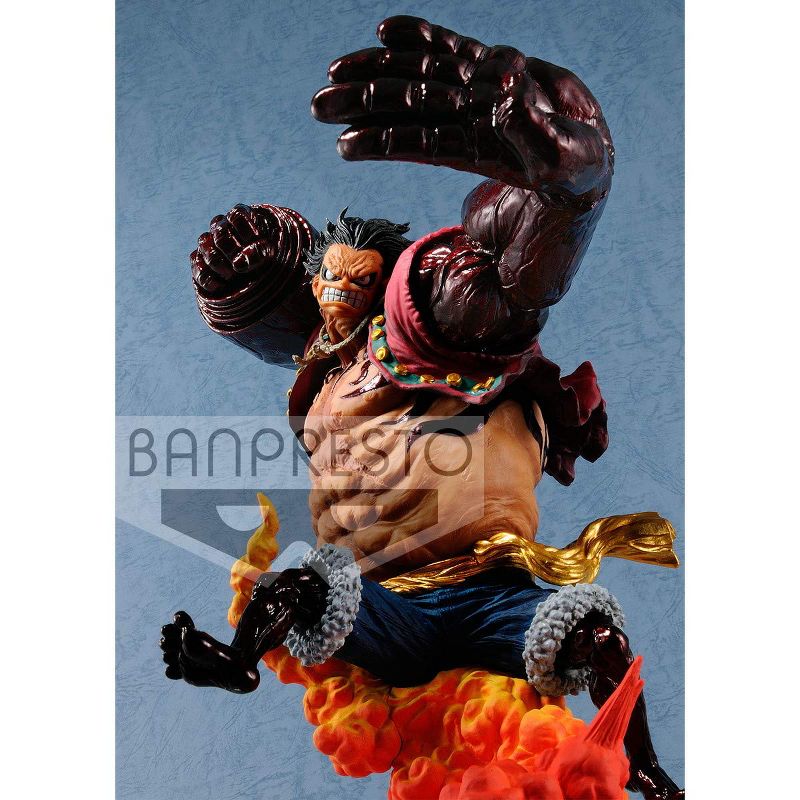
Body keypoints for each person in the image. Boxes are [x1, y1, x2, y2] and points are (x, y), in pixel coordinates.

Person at [163, 16, 683, 799]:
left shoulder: (419, 321)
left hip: (488, 592)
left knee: (595, 634)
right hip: (386, 615)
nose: (334, 295)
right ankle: (237, 660)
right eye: (325, 283)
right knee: (297, 580)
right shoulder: (317, 395)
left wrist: (567, 195)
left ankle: (640, 764)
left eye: (349, 280)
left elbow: (503, 284)